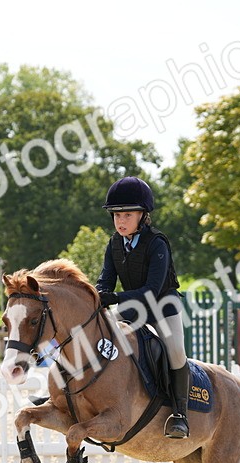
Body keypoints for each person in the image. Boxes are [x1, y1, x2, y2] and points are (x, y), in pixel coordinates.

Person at [95, 176, 189, 438]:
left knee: (176, 351)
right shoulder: (114, 243)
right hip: (132, 307)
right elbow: (106, 278)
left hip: (162, 306)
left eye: (127, 215)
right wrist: (98, 294)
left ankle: (180, 414)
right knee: (98, 335)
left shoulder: (157, 243)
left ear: (142, 216)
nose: (120, 221)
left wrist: (114, 298)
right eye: (116, 215)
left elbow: (152, 290)